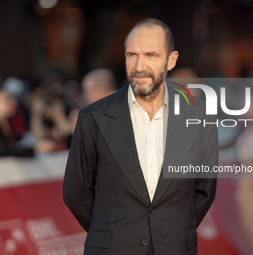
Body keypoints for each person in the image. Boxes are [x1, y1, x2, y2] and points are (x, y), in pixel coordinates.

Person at [63, 18, 218, 255]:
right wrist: (111, 231)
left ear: (171, 60)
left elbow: (204, 191)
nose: (139, 66)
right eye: (132, 55)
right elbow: (76, 192)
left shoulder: (200, 118)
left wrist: (169, 228)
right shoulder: (93, 117)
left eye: (151, 55)